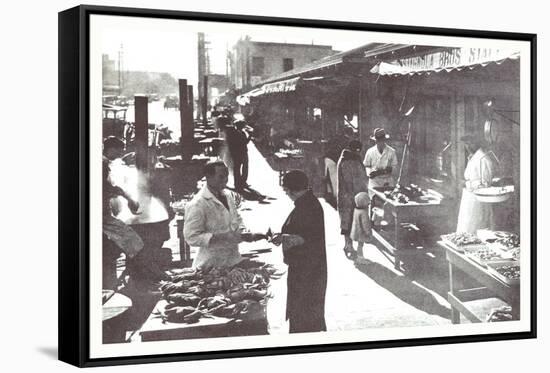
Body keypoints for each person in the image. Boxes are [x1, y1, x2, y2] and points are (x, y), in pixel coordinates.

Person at [271, 170, 327, 333]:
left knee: (304, 315)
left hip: (307, 271)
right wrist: (284, 236)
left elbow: (304, 238)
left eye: (287, 190)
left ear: (291, 189)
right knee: (305, 314)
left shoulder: (308, 207)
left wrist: (284, 238)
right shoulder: (307, 202)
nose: (287, 194)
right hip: (307, 268)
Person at [183, 161, 263, 269]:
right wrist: (221, 237)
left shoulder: (227, 196)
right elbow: (191, 237)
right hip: (210, 264)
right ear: (208, 177)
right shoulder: (198, 203)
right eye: (221, 177)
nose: (225, 180)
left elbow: (237, 218)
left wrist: (243, 232)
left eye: (227, 176)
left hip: (233, 260)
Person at [102, 136, 144, 289]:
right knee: (133, 240)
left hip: (103, 212)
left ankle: (118, 277)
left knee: (122, 243)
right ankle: (135, 277)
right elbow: (108, 188)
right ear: (112, 149)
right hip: (101, 215)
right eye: (120, 150)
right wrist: (128, 198)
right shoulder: (102, 163)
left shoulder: (102, 161)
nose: (121, 153)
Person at [456, 134, 496, 233]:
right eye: (466, 144)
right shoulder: (472, 158)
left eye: (471, 143)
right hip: (469, 200)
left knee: (475, 229)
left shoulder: (483, 159)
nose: (468, 147)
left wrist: (466, 184)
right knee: (466, 230)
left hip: (478, 202)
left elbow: (485, 185)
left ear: (478, 143)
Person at [336, 140, 369, 260]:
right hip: (349, 197)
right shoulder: (348, 160)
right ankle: (348, 245)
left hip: (352, 196)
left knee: (351, 221)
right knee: (348, 222)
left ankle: (349, 245)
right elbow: (350, 180)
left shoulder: (349, 158)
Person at [350, 192, 372, 264]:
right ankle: (360, 258)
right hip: (361, 233)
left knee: (359, 245)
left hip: (356, 231)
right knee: (360, 245)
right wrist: (368, 232)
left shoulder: (356, 210)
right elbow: (365, 224)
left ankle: (359, 257)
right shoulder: (364, 213)